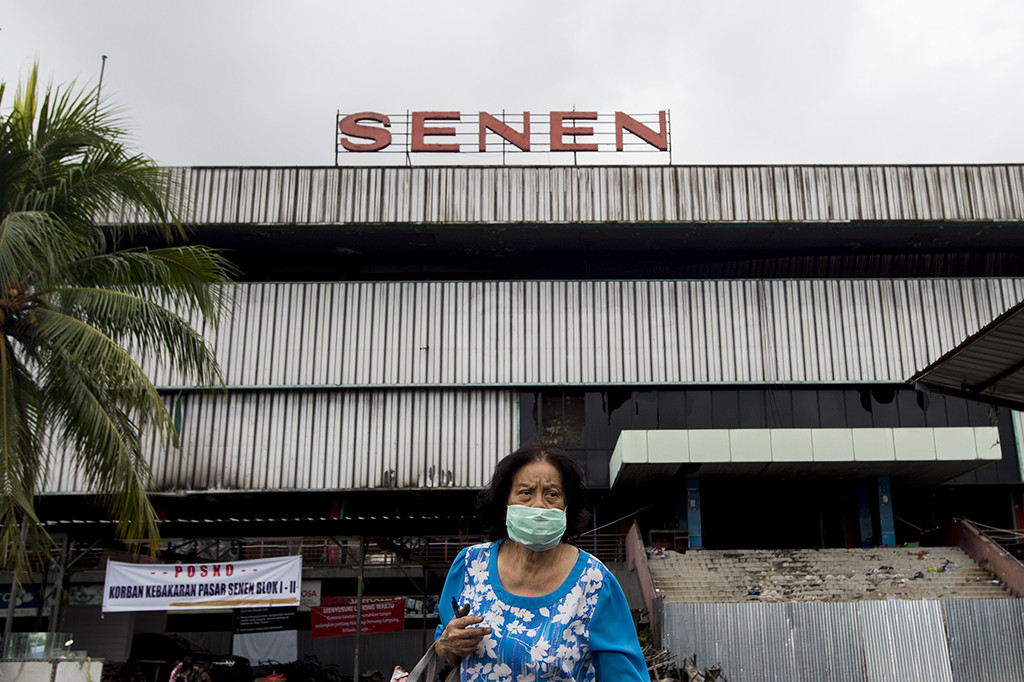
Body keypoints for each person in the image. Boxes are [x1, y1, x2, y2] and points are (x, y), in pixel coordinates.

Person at [435, 443, 650, 682]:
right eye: (525, 493)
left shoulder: (595, 583)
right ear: (505, 505)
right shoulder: (470, 565)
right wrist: (446, 646)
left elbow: (625, 676)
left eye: (552, 494)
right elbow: (445, 640)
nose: (538, 505)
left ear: (567, 508)